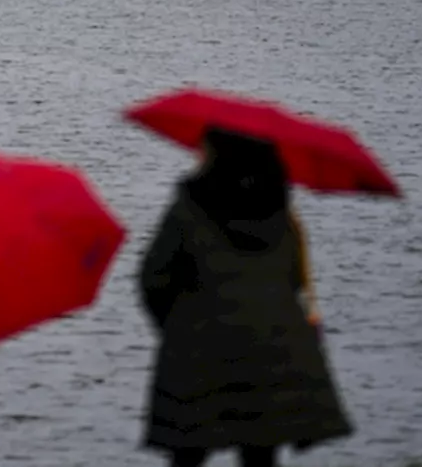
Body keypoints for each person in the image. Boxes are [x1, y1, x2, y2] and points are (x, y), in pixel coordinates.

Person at [138, 128, 351, 467]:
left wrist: (176, 328)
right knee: (261, 450)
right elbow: (293, 281)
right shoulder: (283, 216)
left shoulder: (189, 209)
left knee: (188, 449)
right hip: (272, 348)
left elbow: (154, 280)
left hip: (199, 348)